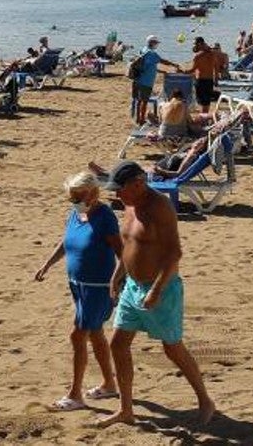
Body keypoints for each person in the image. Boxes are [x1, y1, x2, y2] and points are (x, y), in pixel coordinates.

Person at [96, 161, 215, 428]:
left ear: (138, 184)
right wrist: (117, 276)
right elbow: (129, 245)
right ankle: (125, 409)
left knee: (172, 349)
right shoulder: (129, 204)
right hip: (132, 287)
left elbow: (174, 254)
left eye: (121, 190)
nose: (117, 195)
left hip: (162, 288)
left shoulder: (160, 207)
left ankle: (205, 400)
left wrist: (157, 290)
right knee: (118, 344)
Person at [33, 172, 121, 412]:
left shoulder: (105, 217)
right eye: (71, 198)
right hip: (77, 284)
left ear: (93, 193)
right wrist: (48, 264)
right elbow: (67, 242)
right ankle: (110, 384)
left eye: (78, 197)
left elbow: (122, 253)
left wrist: (118, 282)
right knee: (94, 333)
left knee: (77, 335)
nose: (74, 201)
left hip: (98, 288)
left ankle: (75, 395)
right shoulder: (78, 212)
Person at [131, 36, 181, 126]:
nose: (157, 45)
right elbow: (162, 61)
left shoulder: (144, 50)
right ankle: (142, 120)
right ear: (152, 42)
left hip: (138, 79)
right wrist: (174, 64)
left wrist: (162, 71)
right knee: (144, 101)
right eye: (156, 43)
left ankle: (138, 118)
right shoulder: (152, 53)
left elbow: (150, 66)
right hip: (146, 81)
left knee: (139, 100)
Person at [181, 37, 221, 113]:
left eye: (195, 44)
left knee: (202, 102)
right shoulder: (213, 54)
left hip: (201, 80)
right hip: (210, 80)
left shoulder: (198, 56)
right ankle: (205, 118)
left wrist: (183, 71)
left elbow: (192, 69)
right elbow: (216, 68)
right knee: (207, 102)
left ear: (199, 44)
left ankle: (203, 118)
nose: (194, 46)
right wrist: (216, 80)